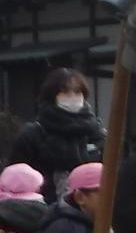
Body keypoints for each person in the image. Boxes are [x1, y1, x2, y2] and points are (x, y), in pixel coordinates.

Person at [7, 67, 106, 202]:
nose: (73, 98)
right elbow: (16, 179)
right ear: (52, 96)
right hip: (42, 210)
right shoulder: (32, 135)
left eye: (77, 92)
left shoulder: (97, 133)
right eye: (65, 93)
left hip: (89, 209)